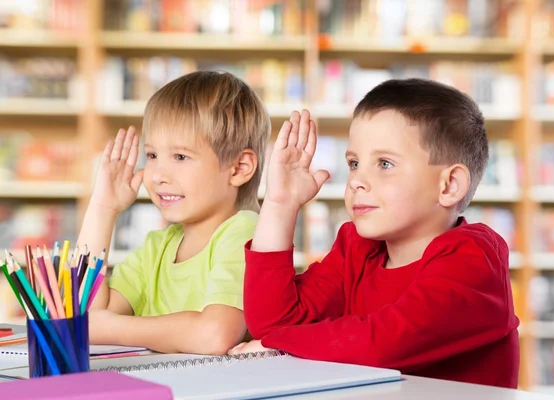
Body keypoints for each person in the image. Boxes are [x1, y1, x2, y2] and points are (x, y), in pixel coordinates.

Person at [230, 78, 520, 388]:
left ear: (449, 185)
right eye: (354, 163)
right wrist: (280, 204)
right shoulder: (357, 247)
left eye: (384, 163)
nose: (356, 180)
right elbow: (272, 323)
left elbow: (386, 343)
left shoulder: (473, 259)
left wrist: (279, 344)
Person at [79, 71, 270, 354]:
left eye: (180, 157)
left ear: (239, 168)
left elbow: (215, 335)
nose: (157, 175)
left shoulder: (246, 232)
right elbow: (83, 314)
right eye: (152, 155)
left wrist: (111, 328)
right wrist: (102, 209)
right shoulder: (159, 246)